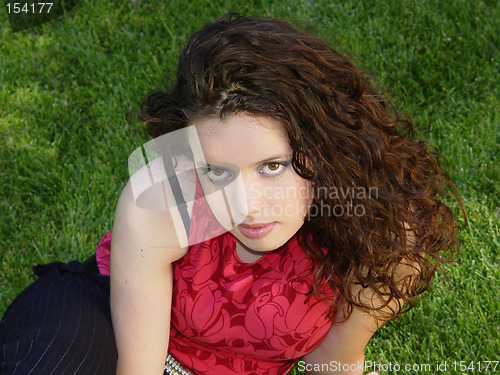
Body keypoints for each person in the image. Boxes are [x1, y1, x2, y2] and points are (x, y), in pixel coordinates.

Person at [0, 14, 462, 375]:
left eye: (272, 166)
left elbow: (333, 360)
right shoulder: (164, 199)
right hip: (103, 317)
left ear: (326, 149)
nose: (244, 206)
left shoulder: (382, 233)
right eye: (216, 171)